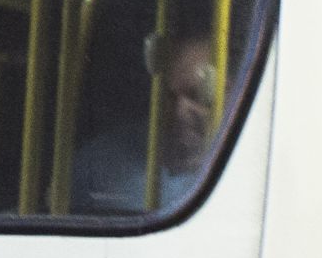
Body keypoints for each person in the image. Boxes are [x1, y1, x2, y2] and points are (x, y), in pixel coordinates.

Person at [71, 35, 217, 217]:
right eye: (169, 95)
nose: (180, 110)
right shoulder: (100, 163)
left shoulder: (242, 174)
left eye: (200, 95)